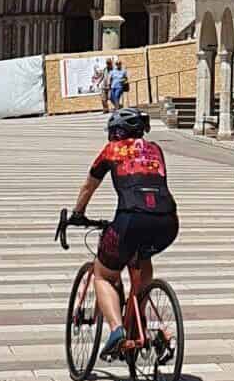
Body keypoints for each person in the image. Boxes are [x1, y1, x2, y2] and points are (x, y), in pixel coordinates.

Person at [67, 106, 177, 360]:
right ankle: (150, 331)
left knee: (103, 274)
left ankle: (117, 331)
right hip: (168, 222)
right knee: (141, 264)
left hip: (131, 219)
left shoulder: (112, 150)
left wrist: (77, 214)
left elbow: (88, 186)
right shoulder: (155, 150)